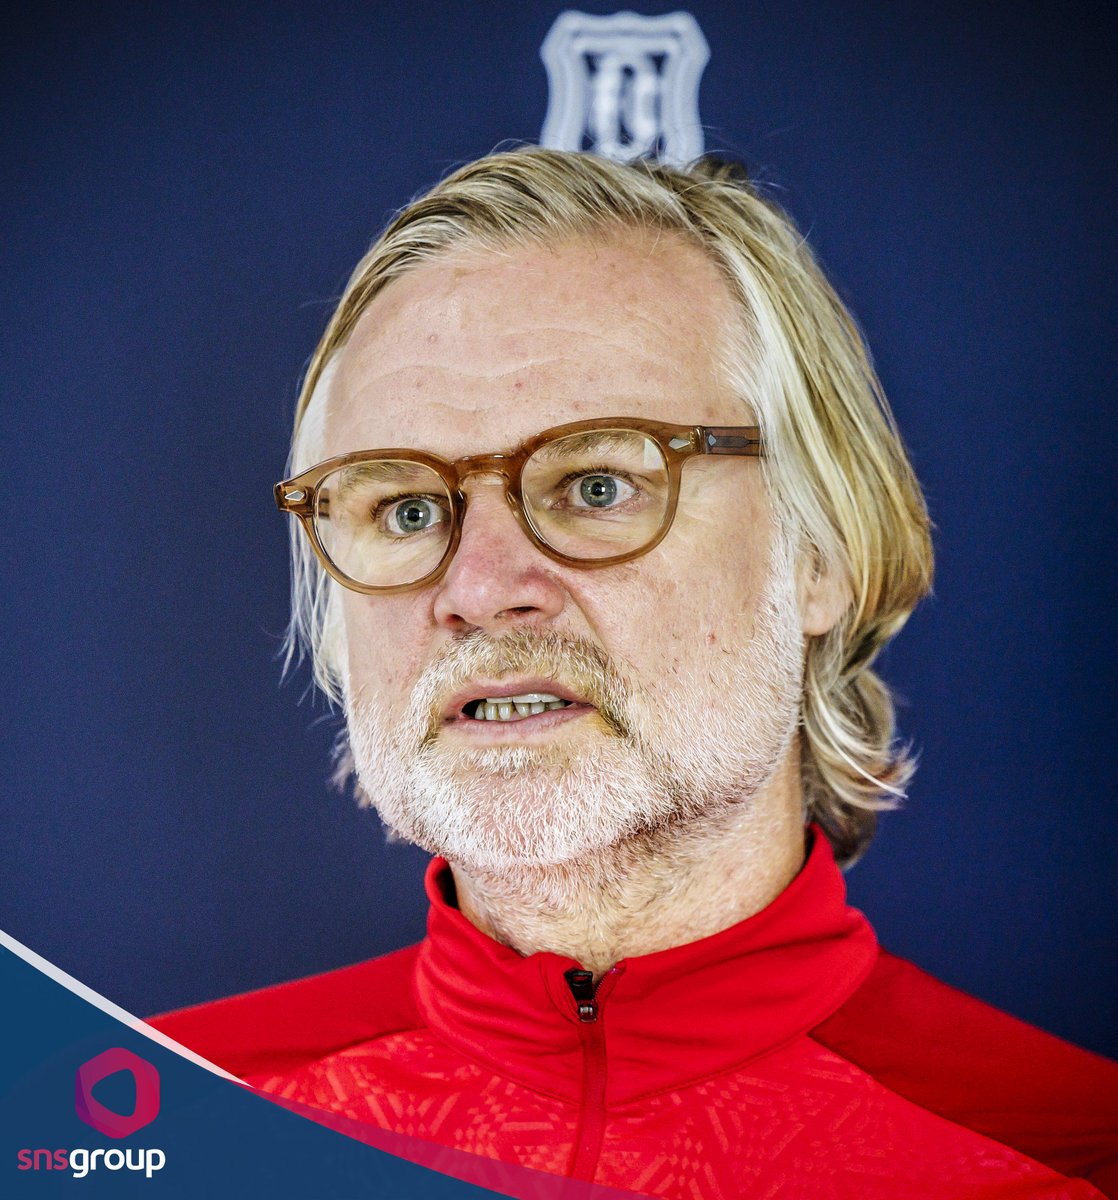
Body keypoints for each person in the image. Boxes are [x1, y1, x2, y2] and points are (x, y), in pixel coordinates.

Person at [150, 149, 1118, 1199]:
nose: (477, 587)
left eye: (598, 482)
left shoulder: (1067, 1158)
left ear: (822, 550)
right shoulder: (134, 1139)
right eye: (408, 510)